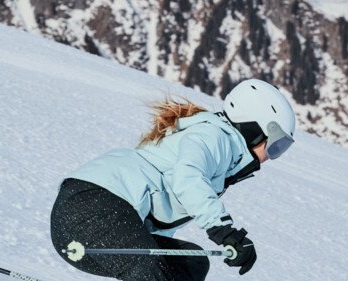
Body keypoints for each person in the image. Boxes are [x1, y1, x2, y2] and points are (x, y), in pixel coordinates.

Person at [49, 79, 297, 280]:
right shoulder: (215, 136)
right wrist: (223, 230)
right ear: (255, 128)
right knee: (150, 270)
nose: (273, 155)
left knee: (191, 263)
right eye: (277, 145)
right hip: (92, 205)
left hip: (96, 217)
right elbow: (187, 177)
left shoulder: (223, 151)